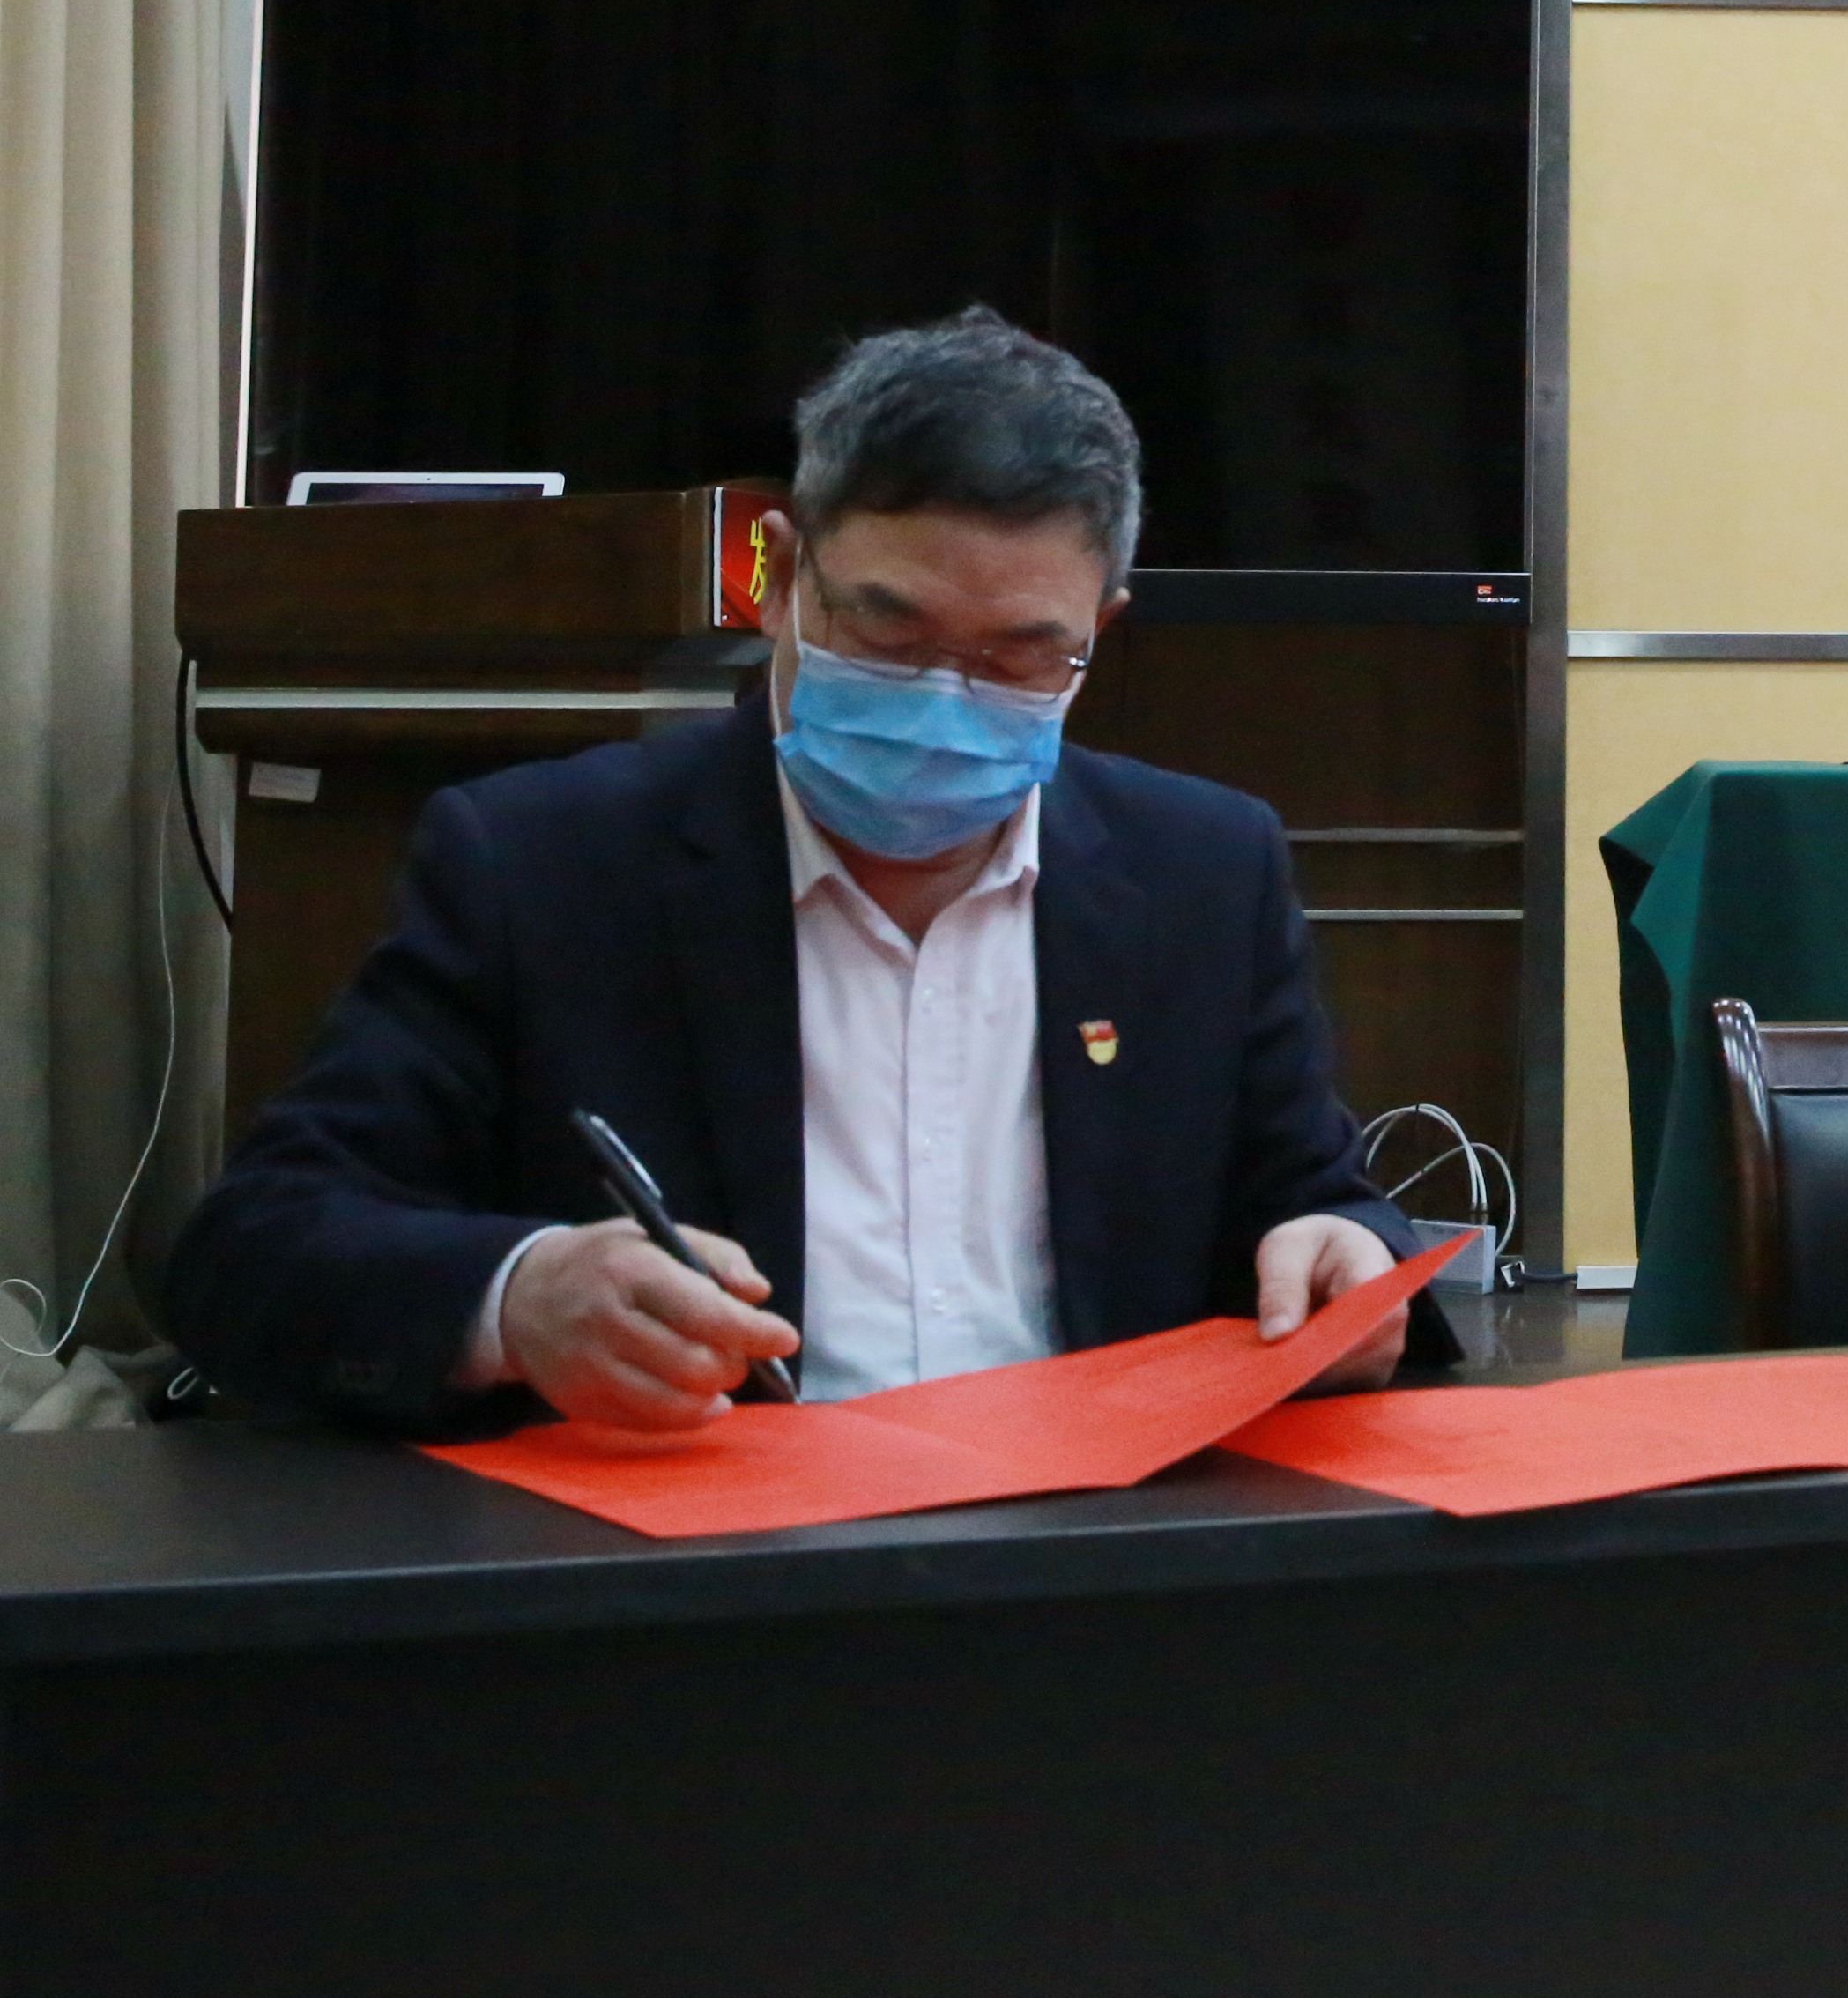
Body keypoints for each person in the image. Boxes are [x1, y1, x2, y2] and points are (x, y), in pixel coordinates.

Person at [164, 310, 1421, 1434]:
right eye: (888, 626)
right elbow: (250, 1250)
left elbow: (1313, 1204)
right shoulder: (543, 865)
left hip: (1089, 1554)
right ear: (777, 573)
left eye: (1018, 654)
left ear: (1099, 631)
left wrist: (1346, 1258)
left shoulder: (1202, 870)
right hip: (712, 1562)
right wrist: (517, 1294)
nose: (943, 696)